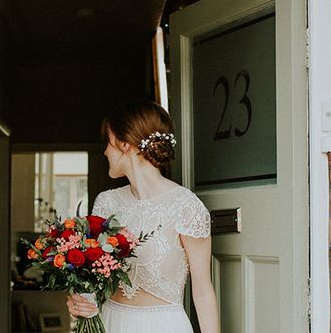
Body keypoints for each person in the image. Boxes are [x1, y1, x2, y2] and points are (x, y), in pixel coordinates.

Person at [67, 100, 220, 333]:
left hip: (162, 326)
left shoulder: (186, 206)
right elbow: (93, 280)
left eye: (108, 142)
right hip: (110, 322)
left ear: (125, 144)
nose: (105, 151)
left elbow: (203, 291)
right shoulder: (106, 202)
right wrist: (81, 301)